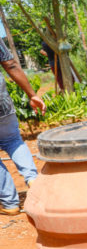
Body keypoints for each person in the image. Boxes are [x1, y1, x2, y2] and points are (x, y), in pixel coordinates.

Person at [0, 40, 46, 215]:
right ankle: (33, 180)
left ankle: (9, 202)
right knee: (13, 140)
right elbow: (11, 64)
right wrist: (32, 95)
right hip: (1, 102)